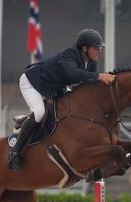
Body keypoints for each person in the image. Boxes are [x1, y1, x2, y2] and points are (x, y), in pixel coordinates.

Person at [8, 29, 116, 171]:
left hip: (54, 86)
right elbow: (72, 73)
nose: (99, 51)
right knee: (40, 112)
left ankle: (27, 120)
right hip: (32, 82)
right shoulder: (70, 54)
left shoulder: (91, 62)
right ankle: (15, 153)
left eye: (100, 48)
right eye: (96, 48)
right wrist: (99, 77)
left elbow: (90, 85)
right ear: (85, 48)